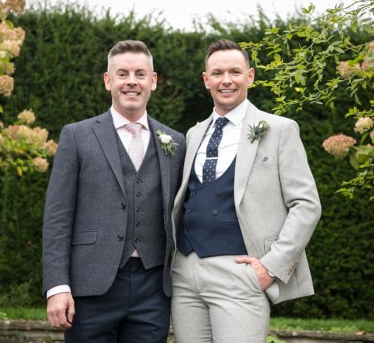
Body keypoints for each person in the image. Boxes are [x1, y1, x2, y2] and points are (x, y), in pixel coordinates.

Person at [171, 39, 321, 342]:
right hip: (184, 274)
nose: (226, 80)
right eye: (217, 73)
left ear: (250, 76)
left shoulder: (279, 129)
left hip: (242, 274)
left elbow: (307, 204)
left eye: (235, 72)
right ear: (206, 80)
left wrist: (271, 267)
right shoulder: (193, 133)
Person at [42, 40, 185, 343]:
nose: (131, 81)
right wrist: (57, 286)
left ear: (153, 81)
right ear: (108, 81)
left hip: (153, 287)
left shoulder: (175, 141)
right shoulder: (77, 136)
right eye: (122, 74)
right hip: (90, 286)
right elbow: (57, 216)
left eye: (139, 74)